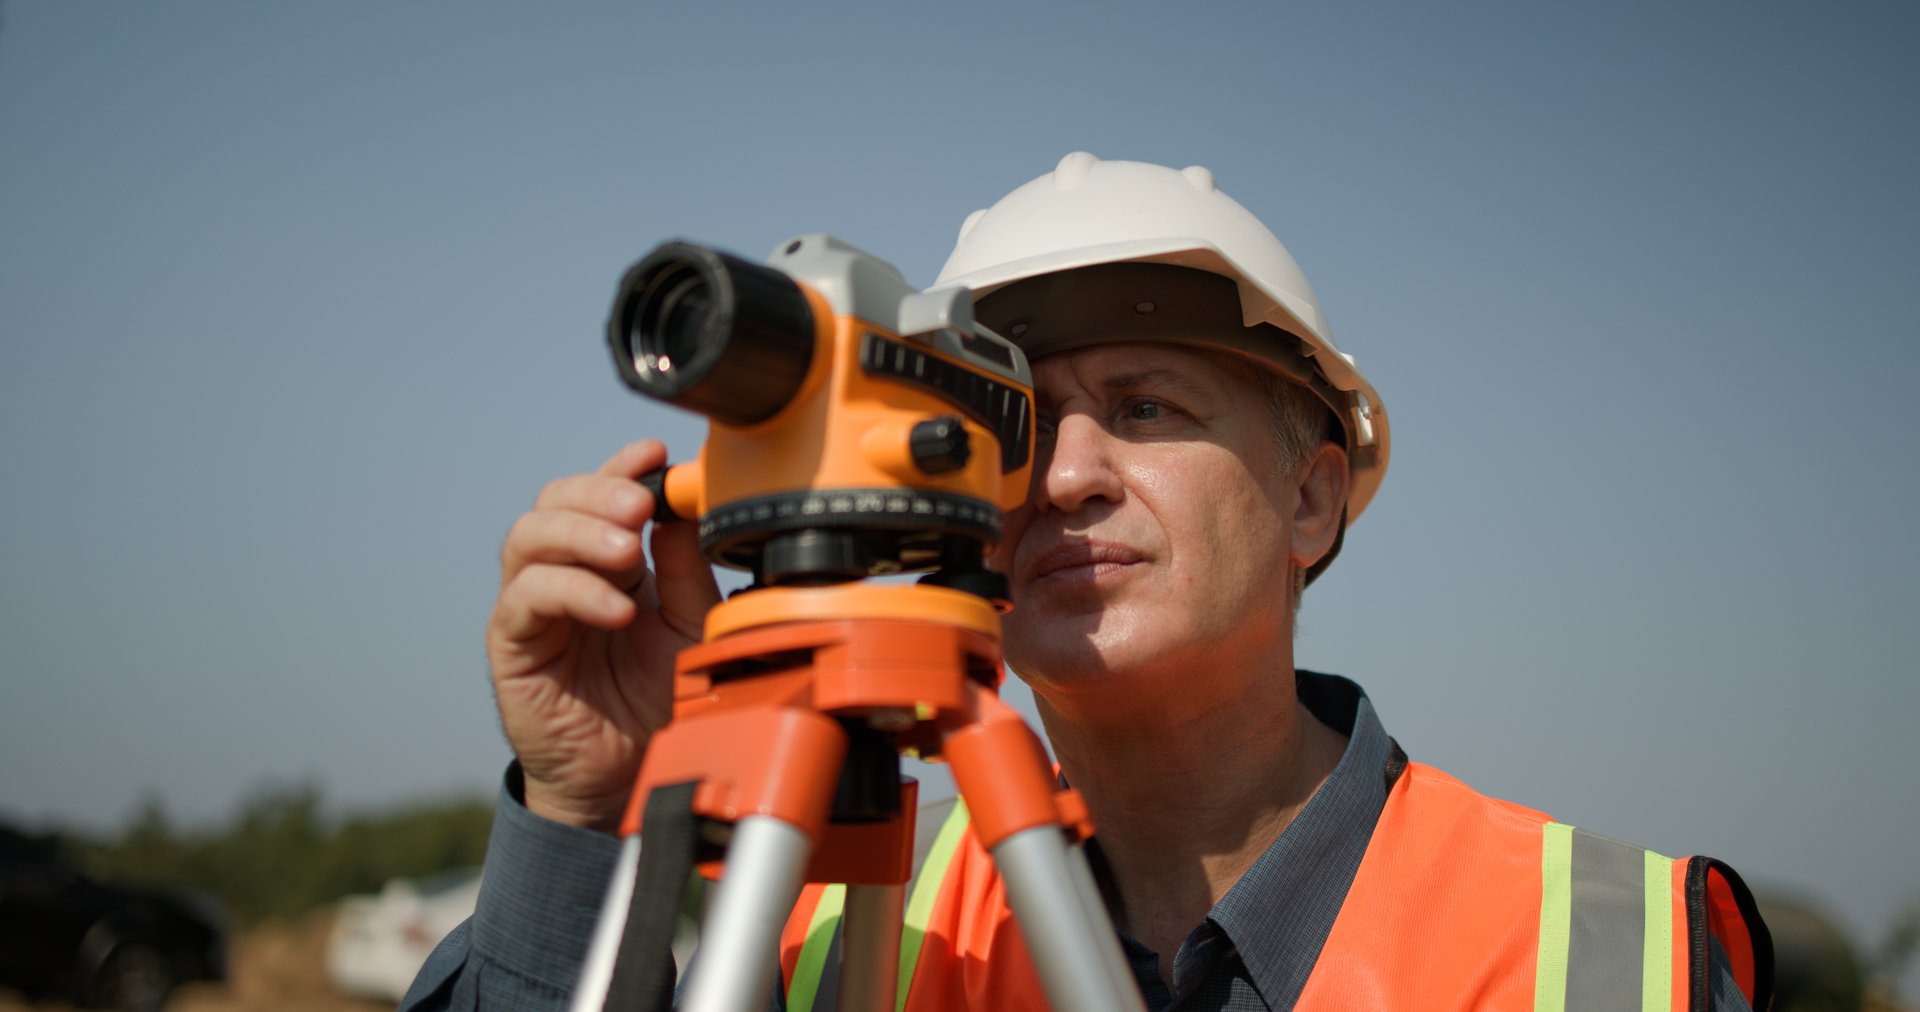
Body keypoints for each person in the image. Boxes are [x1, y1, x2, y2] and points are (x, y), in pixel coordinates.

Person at [402, 153, 1772, 1011]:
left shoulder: (1598, 956)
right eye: (1016, 432)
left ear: (1312, 493)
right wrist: (583, 806)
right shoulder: (854, 920)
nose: (1062, 480)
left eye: (1148, 406)